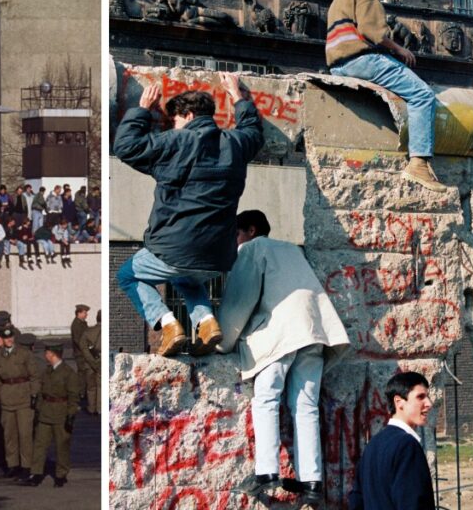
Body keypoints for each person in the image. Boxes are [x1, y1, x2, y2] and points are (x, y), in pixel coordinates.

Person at [114, 72, 264, 357]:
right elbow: (254, 132)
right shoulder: (235, 143)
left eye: (175, 120)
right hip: (218, 257)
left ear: (189, 114)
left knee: (127, 276)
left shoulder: (174, 143)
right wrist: (238, 97)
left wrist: (142, 111)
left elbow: (125, 147)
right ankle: (206, 323)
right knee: (186, 279)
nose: (173, 125)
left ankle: (169, 325)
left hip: (174, 248)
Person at [218, 210, 351, 503]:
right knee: (305, 406)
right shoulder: (291, 249)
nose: (234, 242)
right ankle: (311, 481)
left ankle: (266, 472)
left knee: (266, 396)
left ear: (250, 231)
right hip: (315, 331)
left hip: (281, 333)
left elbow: (240, 300)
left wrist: (222, 341)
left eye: (236, 234)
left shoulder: (252, 249)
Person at [326, 0, 446, 192]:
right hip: (361, 59)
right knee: (422, 95)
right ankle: (419, 163)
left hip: (338, 65)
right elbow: (374, 32)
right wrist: (399, 49)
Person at [347, 371, 435, 509]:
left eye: (427, 396)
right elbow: (413, 503)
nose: (429, 403)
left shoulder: (373, 444)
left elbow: (356, 499)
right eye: (420, 397)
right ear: (399, 402)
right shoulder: (407, 445)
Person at [22, 343, 80, 488]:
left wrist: (71, 415)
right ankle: (36, 473)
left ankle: (61, 474)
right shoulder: (47, 371)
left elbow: (73, 396)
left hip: (61, 412)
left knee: (62, 445)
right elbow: (42, 392)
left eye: (47, 353)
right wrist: (38, 410)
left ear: (53, 354)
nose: (45, 355)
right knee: (40, 445)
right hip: (46, 412)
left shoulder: (68, 373)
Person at [0, 325, 40, 480]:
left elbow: (34, 376)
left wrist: (34, 394)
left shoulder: (25, 354)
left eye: (11, 337)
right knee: (9, 435)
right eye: (6, 338)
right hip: (6, 399)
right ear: (2, 339)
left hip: (24, 398)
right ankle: (12, 466)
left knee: (25, 434)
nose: (9, 340)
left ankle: (26, 467)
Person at [76, 310, 101, 416]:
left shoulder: (88, 332)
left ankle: (91, 408)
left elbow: (83, 348)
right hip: (101, 361)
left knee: (91, 387)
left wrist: (92, 361)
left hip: (89, 363)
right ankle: (100, 408)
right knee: (101, 386)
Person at [69, 304, 91, 407]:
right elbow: (78, 340)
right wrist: (86, 348)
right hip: (80, 353)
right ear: (79, 313)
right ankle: (81, 393)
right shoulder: (76, 325)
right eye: (85, 312)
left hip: (84, 352)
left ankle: (83, 391)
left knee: (84, 373)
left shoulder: (82, 323)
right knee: (82, 373)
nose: (86, 314)